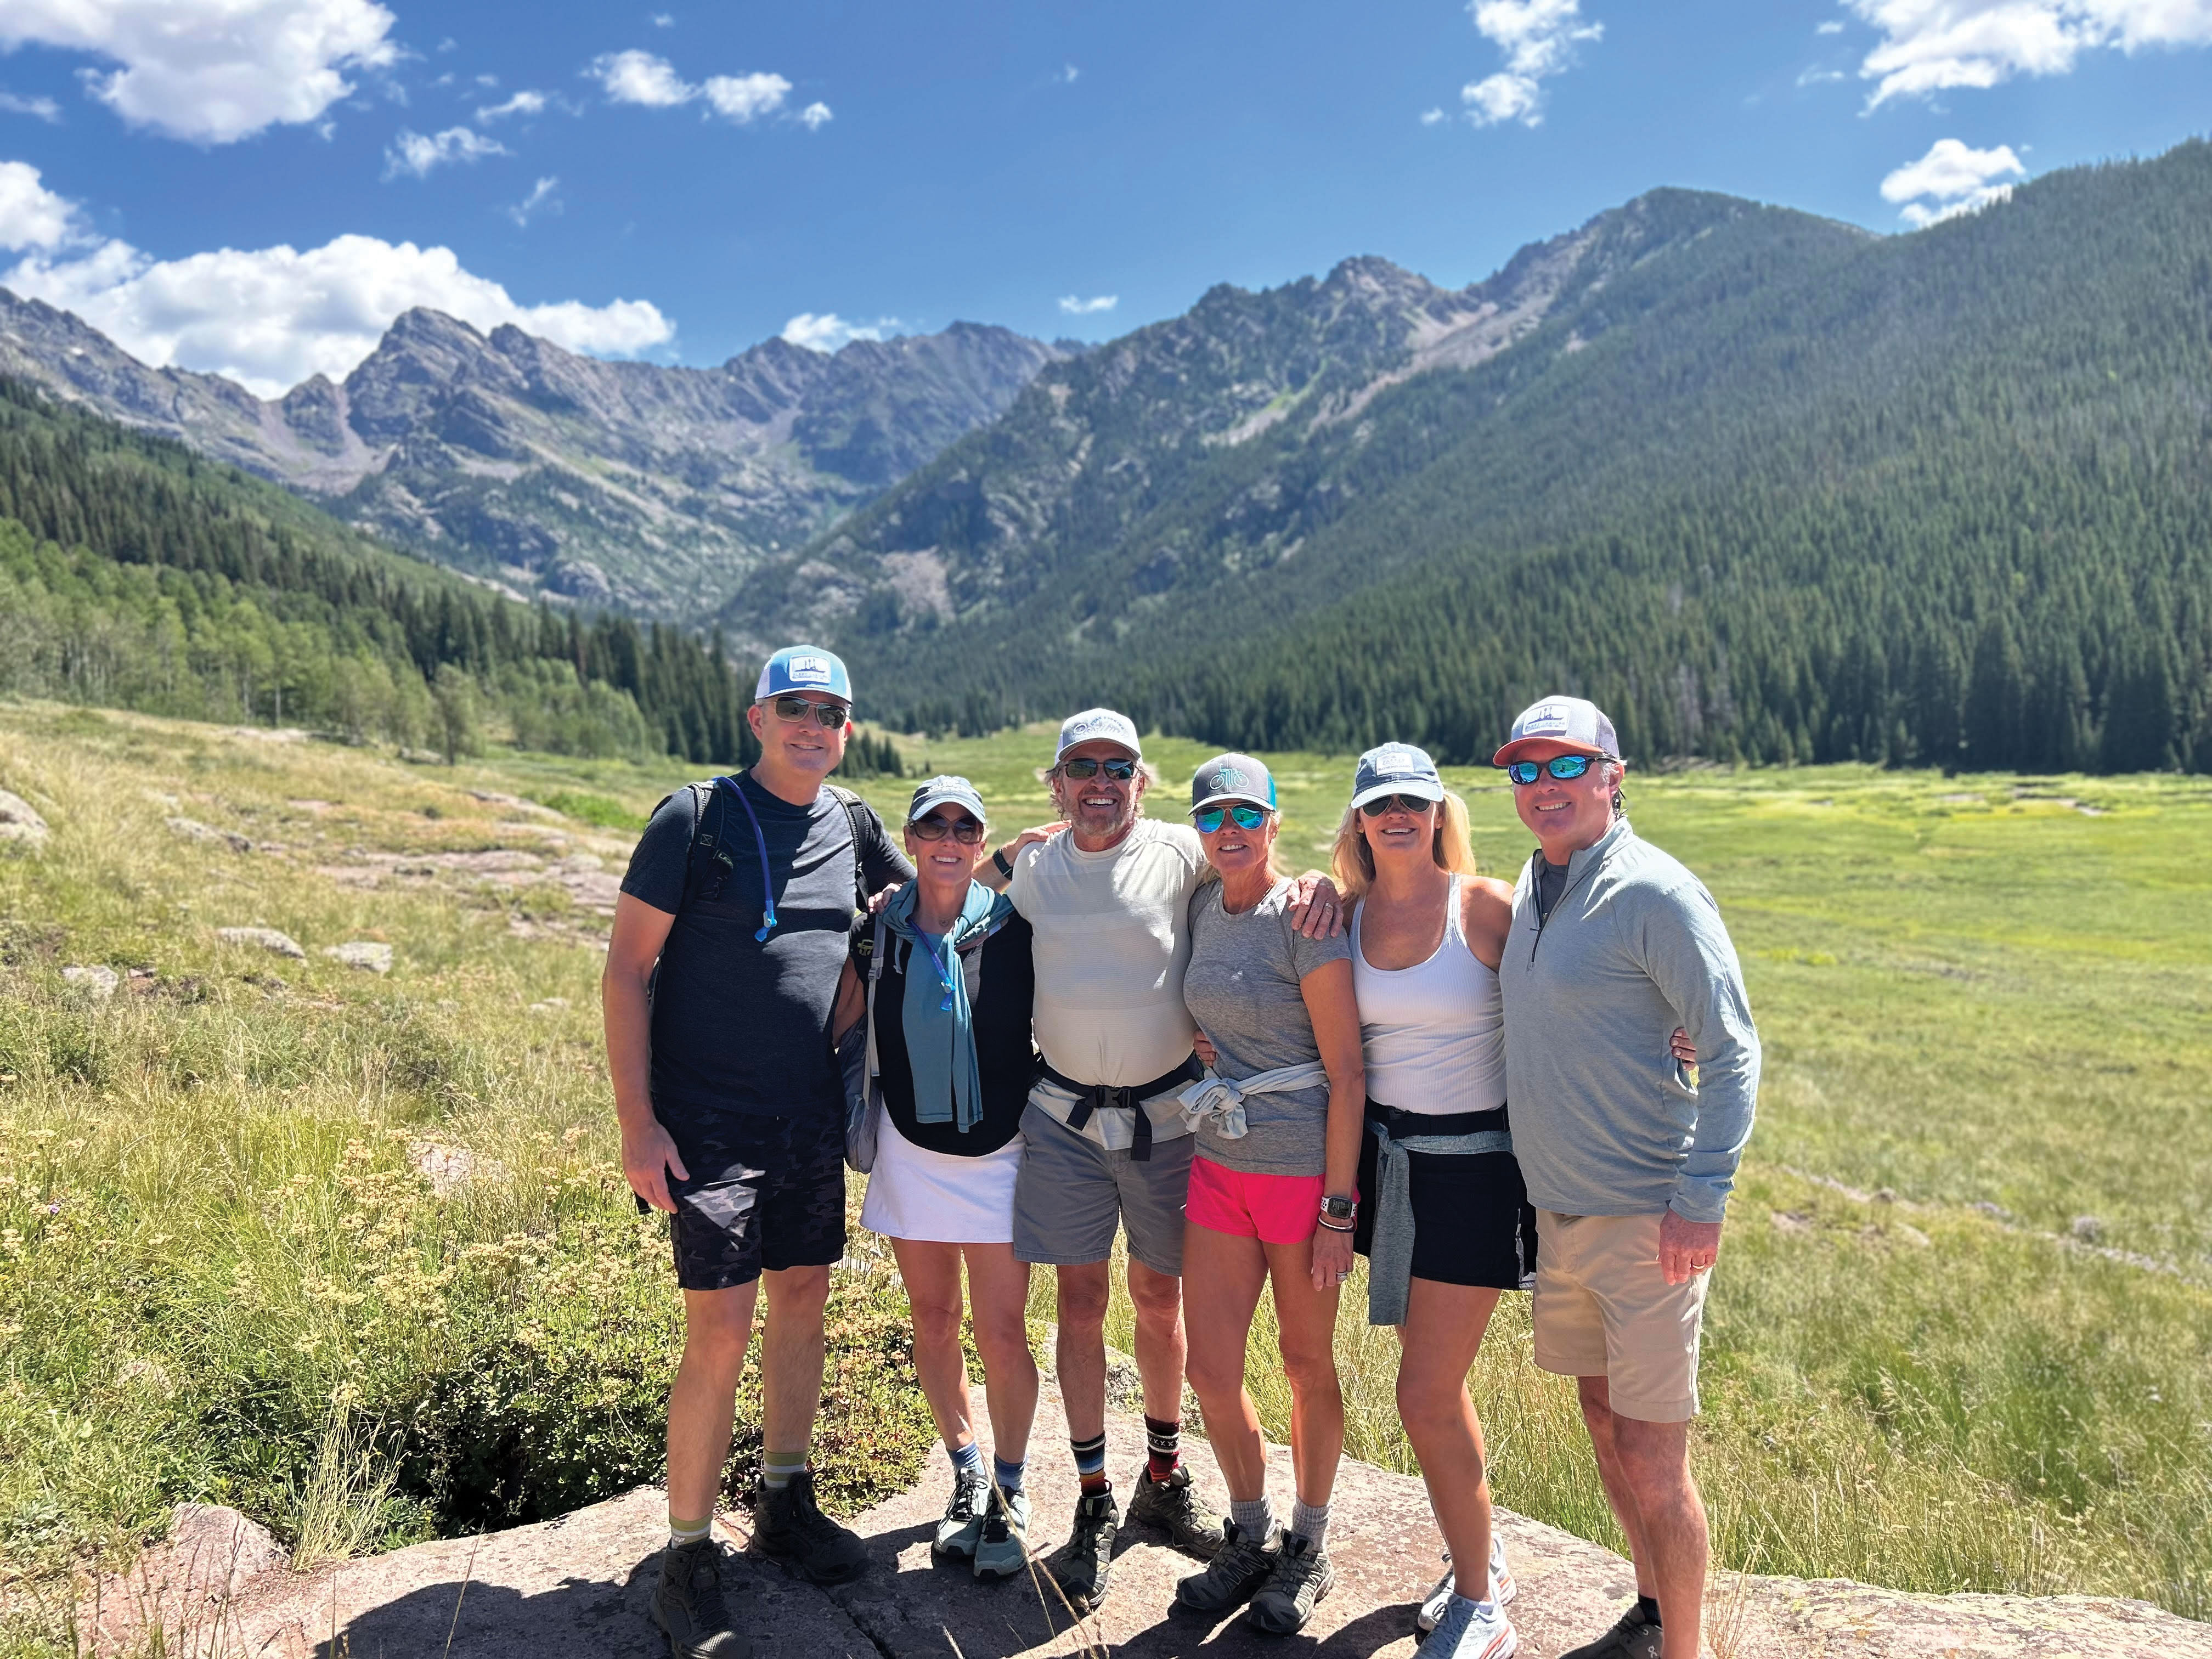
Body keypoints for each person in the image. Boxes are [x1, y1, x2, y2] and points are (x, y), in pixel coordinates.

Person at [973, 708, 1342, 1613]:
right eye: (1081, 768)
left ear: (1142, 780)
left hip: (1175, 1119)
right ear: (1055, 782)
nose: (1100, 783)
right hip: (1062, 1118)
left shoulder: (1183, 851)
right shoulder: (1034, 866)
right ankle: (1095, 1499)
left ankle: (1165, 1474)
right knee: (1082, 1299)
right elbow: (954, 890)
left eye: (1118, 767)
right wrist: (946, 876)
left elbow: (1260, 874)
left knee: (1157, 1297)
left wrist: (1326, 883)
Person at [606, 645, 912, 1659]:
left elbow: (931, 910)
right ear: (757, 717)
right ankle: (688, 1557)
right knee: (720, 1332)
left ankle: (785, 1498)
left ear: (846, 730)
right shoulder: (695, 818)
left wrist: (1027, 860)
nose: (811, 725)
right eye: (794, 707)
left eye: (830, 711)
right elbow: (625, 971)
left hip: (808, 1117)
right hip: (708, 1125)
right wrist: (638, 1124)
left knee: (803, 1304)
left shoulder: (855, 824)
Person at [1493, 697, 1759, 1659]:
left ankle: (1683, 1649)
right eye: (1526, 771)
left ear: (1613, 775)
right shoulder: (1537, 887)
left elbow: (1732, 1051)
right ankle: (1650, 1612)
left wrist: (1701, 1200)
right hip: (1560, 1218)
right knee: (1603, 1422)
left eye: (1566, 766)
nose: (1545, 787)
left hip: (1649, 1221)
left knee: (1653, 1456)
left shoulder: (1657, 892)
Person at [1169, 755, 1365, 1637]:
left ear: (1276, 822)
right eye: (1214, 818)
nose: (1231, 830)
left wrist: (1337, 1209)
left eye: (1248, 814)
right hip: (1218, 1160)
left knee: (1305, 1365)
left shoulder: (1306, 916)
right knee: (1208, 1367)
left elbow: (1349, 1073)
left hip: (1297, 1174)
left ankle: (1310, 1541)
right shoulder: (1205, 906)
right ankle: (1247, 1534)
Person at [830, 777, 1040, 1584]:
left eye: (965, 827)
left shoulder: (1018, 927)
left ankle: (1011, 1490)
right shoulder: (877, 931)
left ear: (980, 843)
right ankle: (966, 1467)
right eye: (933, 825)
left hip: (1000, 1153)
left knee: (1002, 1331)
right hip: (911, 1148)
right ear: (912, 840)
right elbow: (839, 1026)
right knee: (932, 1314)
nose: (949, 839)